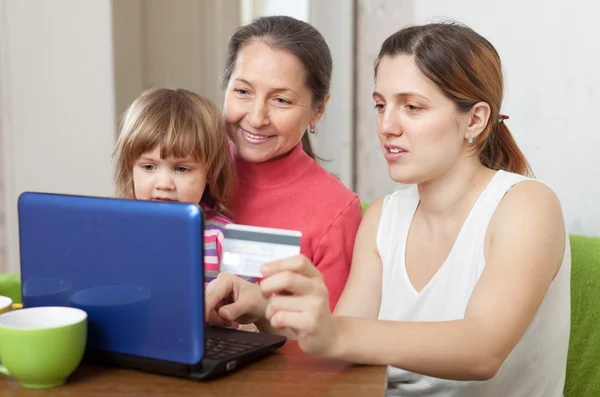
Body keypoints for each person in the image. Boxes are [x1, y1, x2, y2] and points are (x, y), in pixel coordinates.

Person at [206, 22, 570, 397]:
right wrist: (267, 310)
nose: (387, 126)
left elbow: (482, 349)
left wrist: (332, 331)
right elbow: (336, 348)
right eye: (381, 105)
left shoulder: (526, 205)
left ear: (475, 120)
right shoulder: (383, 218)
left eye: (412, 107)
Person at [219, 16, 363, 310]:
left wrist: (265, 315)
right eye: (243, 92)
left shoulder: (336, 212)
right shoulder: (189, 170)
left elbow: (330, 340)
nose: (257, 118)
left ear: (317, 110)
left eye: (281, 100)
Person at [112, 88, 237, 283]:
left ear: (210, 174)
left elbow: (244, 306)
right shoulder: (116, 231)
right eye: (149, 166)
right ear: (131, 169)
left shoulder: (222, 238)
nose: (164, 184)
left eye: (180, 169)